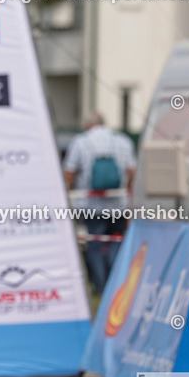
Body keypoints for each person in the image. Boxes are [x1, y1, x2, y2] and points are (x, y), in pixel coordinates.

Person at [63, 111, 137, 296]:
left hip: (91, 204)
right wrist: (127, 196)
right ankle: (115, 283)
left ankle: (100, 285)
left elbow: (69, 173)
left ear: (89, 125)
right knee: (116, 241)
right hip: (118, 203)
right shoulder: (123, 141)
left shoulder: (80, 141)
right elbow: (132, 173)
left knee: (95, 244)